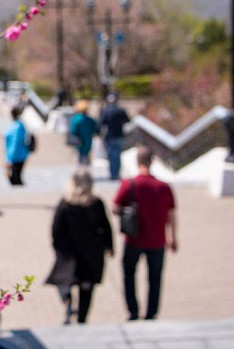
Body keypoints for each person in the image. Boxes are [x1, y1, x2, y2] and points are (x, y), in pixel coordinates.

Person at [113, 146, 177, 321]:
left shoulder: (129, 185)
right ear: (152, 161)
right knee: (155, 278)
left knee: (129, 275)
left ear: (137, 162)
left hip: (133, 238)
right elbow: (171, 214)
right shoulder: (164, 187)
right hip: (158, 240)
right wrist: (173, 237)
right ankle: (151, 313)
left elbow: (115, 207)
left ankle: (133, 311)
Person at [46, 168, 114, 325]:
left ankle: (68, 302)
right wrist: (109, 246)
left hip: (68, 251)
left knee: (63, 280)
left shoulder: (65, 203)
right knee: (87, 285)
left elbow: (56, 228)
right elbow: (105, 227)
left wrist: (57, 246)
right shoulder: (95, 203)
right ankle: (82, 317)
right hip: (91, 251)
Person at [99, 93, 130, 180]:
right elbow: (128, 121)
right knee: (117, 155)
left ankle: (113, 173)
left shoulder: (105, 111)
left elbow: (101, 124)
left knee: (111, 155)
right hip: (119, 135)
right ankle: (116, 173)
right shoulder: (121, 111)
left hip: (109, 136)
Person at [4, 106, 29, 185]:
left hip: (16, 156)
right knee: (17, 178)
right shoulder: (20, 125)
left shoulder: (16, 126)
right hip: (21, 154)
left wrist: (10, 159)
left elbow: (14, 143)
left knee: (15, 179)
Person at [69, 100, 98, 165]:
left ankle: (81, 170)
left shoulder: (75, 118)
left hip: (79, 140)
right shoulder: (89, 119)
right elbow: (95, 129)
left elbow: (73, 130)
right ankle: (86, 170)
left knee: (80, 156)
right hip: (88, 140)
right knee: (86, 155)